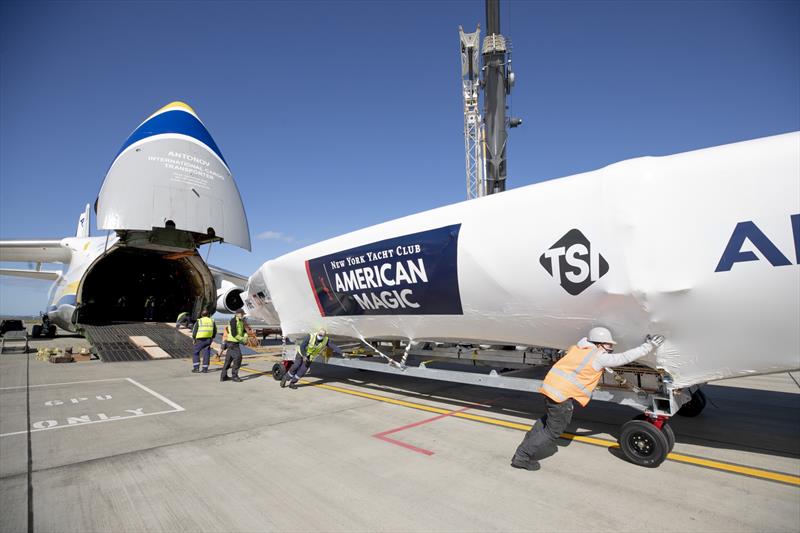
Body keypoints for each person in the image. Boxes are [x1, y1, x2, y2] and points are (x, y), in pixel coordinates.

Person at [510, 327, 665, 471]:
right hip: (562, 397)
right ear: (599, 344)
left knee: (545, 422)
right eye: (608, 345)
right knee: (552, 431)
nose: (611, 348)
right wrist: (648, 346)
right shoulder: (598, 357)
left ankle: (526, 446)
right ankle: (522, 457)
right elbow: (623, 358)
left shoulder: (578, 349)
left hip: (551, 390)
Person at [220, 309, 248, 382]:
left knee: (228, 361)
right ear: (237, 314)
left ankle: (223, 376)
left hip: (234, 343)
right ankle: (234, 376)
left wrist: (245, 336)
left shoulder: (241, 321)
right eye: (242, 314)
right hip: (232, 343)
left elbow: (244, 331)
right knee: (238, 358)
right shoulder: (233, 321)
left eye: (243, 314)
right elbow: (234, 334)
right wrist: (242, 339)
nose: (243, 315)